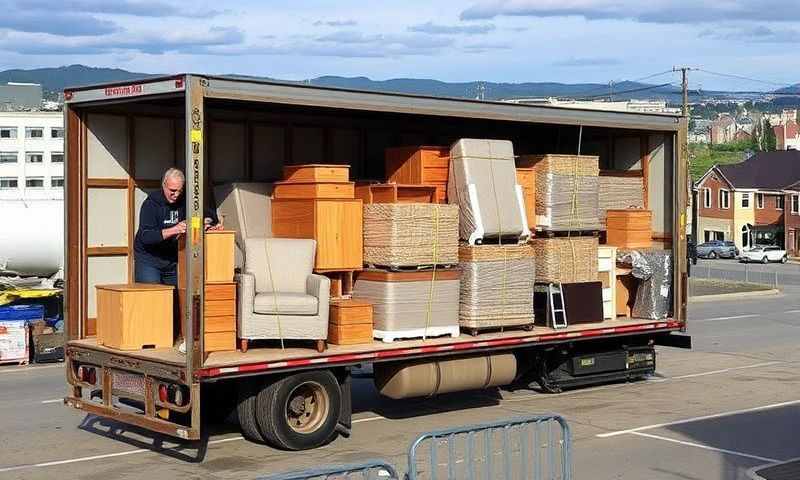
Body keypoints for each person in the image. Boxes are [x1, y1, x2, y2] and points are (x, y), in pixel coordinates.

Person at [134, 168, 222, 286]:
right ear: (164, 185)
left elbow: (207, 215)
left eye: (179, 191)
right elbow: (146, 236)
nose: (176, 195)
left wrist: (209, 226)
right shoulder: (151, 204)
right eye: (172, 190)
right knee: (153, 297)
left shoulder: (185, 201)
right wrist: (174, 229)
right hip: (149, 259)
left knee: (180, 297)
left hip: (173, 259)